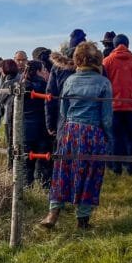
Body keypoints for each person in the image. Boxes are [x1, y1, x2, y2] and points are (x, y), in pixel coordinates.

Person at [40, 41, 113, 230]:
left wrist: (62, 132)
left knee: (62, 170)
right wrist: (108, 137)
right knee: (89, 173)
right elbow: (106, 117)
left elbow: (63, 111)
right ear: (97, 60)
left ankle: (53, 212)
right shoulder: (104, 83)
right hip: (92, 132)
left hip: (70, 131)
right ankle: (82, 219)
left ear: (77, 60)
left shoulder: (70, 81)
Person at [103, 33, 132, 175]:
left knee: (115, 137)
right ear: (128, 44)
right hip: (131, 105)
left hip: (113, 106)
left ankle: (116, 167)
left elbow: (104, 83)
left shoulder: (107, 61)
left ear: (114, 45)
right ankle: (131, 167)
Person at [21, 60, 52, 189]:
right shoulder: (44, 85)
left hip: (26, 126)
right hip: (42, 127)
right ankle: (45, 187)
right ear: (39, 71)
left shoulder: (21, 85)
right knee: (45, 161)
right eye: (43, 69)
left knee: (27, 161)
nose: (45, 72)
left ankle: (27, 187)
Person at [0, 59, 20, 167]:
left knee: (10, 142)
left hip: (8, 115)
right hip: (19, 115)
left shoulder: (8, 81)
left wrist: (2, 79)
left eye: (1, 68)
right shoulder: (20, 78)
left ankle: (10, 166)